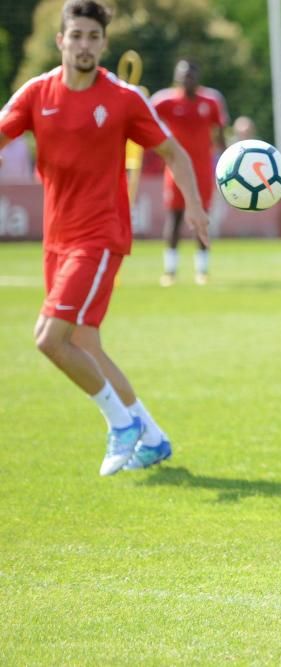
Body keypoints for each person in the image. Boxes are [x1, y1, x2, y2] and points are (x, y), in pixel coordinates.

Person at [0, 0, 210, 476]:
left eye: (93, 37)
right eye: (76, 36)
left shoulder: (122, 99)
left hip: (99, 236)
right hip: (57, 239)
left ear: (104, 44)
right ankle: (152, 438)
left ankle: (120, 424)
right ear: (61, 41)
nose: (84, 45)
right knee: (84, 343)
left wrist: (195, 207)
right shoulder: (36, 94)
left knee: (48, 339)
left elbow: (174, 152)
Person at [151, 59, 227, 286]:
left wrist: (227, 160)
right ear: (176, 77)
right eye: (183, 75)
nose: (188, 79)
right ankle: (170, 270)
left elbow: (219, 133)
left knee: (202, 217)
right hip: (174, 169)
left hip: (202, 170)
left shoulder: (211, 102)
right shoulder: (165, 101)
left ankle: (202, 270)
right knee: (174, 218)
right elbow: (144, 120)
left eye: (191, 75)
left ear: (198, 77)